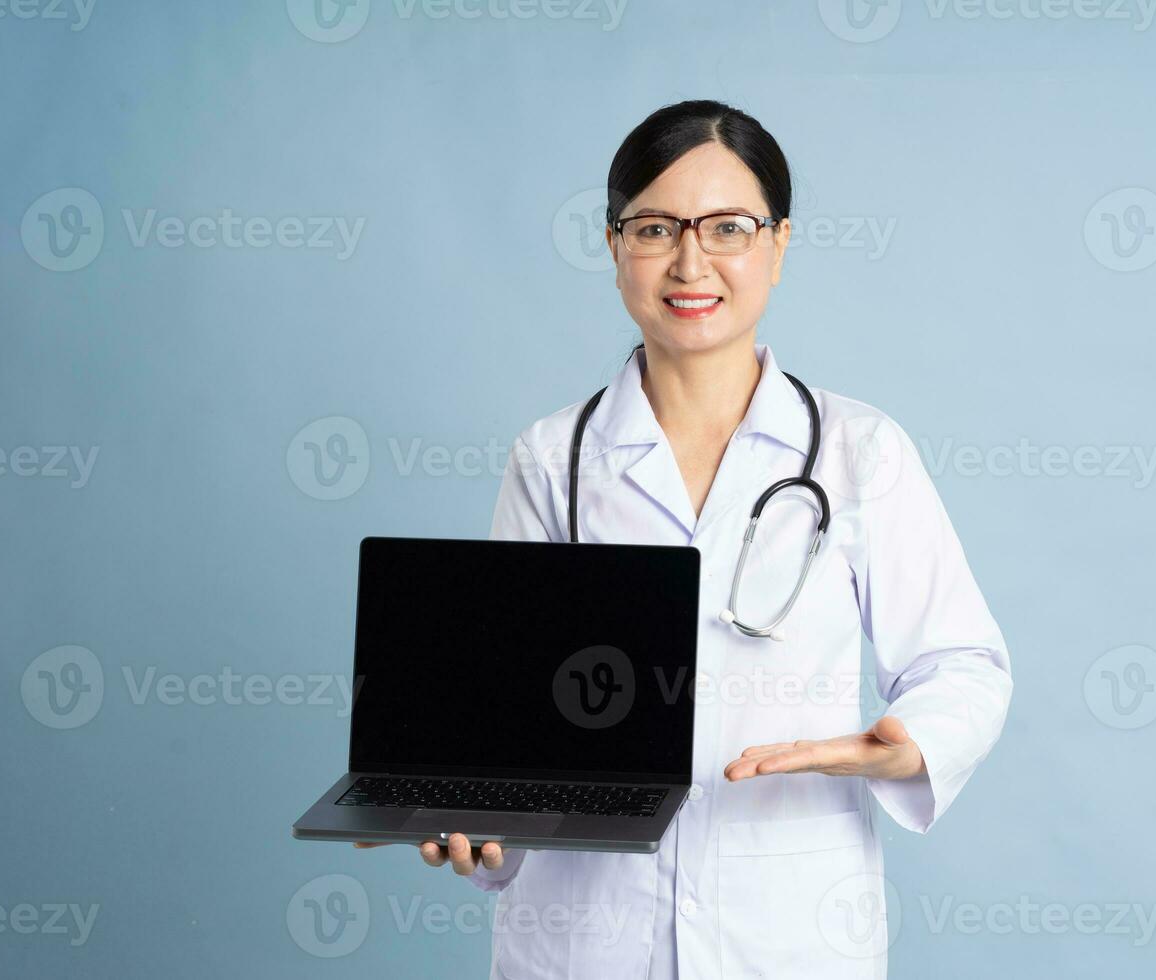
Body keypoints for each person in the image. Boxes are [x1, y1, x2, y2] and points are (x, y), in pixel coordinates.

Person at [358, 99, 1013, 979]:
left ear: (779, 246)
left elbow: (964, 660)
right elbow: (503, 720)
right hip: (585, 935)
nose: (690, 260)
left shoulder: (863, 453)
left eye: (729, 228)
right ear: (614, 246)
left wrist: (909, 742)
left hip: (786, 929)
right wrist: (477, 823)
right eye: (656, 227)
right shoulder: (555, 459)